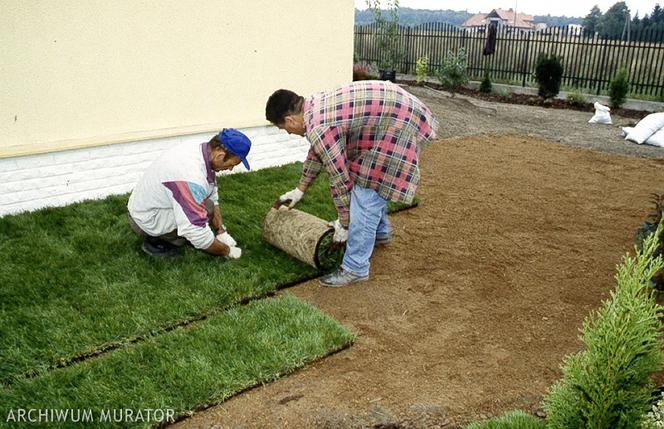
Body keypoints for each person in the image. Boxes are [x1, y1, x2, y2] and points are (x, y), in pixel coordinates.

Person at [265, 80, 438, 287]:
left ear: (290, 120)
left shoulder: (318, 126)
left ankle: (355, 268)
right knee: (369, 181)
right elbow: (317, 152)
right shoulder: (314, 106)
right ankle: (379, 233)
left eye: (284, 129)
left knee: (366, 192)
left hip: (398, 124)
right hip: (398, 111)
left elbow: (340, 179)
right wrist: (299, 189)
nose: (288, 132)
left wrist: (345, 224)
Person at [127, 128, 251, 258]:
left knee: (207, 206)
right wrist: (227, 251)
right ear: (219, 155)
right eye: (231, 164)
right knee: (197, 219)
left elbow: (212, 194)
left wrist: (221, 231)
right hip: (145, 219)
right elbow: (195, 229)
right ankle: (155, 241)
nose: (230, 169)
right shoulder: (190, 175)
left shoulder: (205, 150)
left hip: (147, 204)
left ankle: (170, 234)